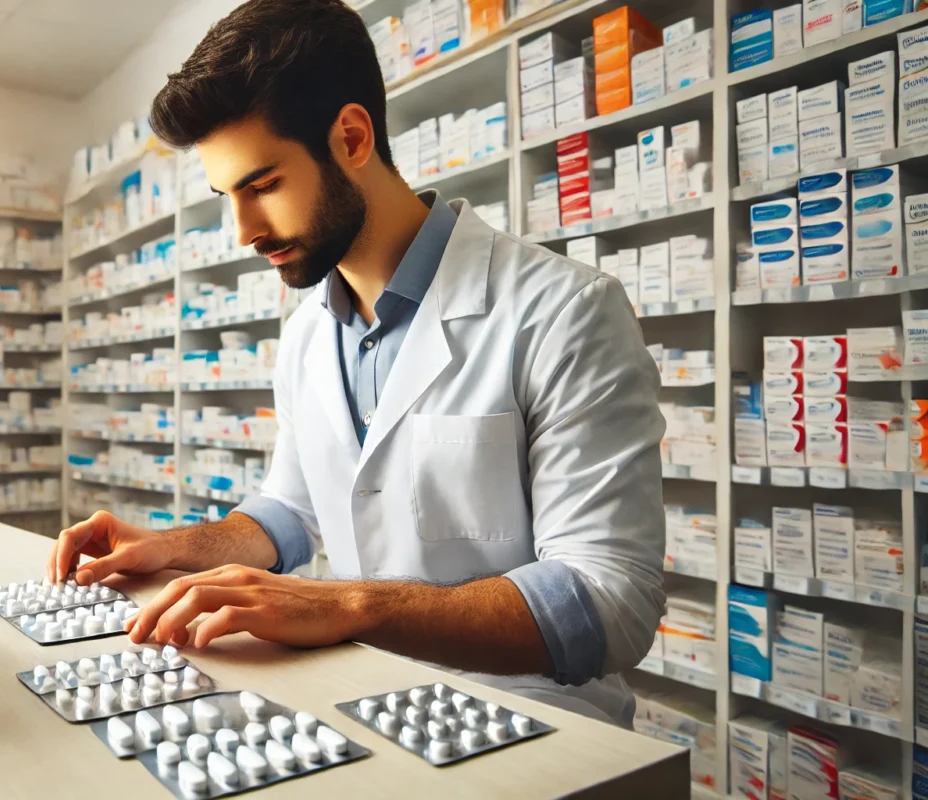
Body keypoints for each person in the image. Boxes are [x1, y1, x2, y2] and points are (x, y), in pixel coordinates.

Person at [48, 0, 665, 727]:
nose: (243, 231)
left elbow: (611, 601)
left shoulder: (562, 310)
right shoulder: (310, 329)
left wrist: (342, 603)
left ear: (350, 137)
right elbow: (291, 512)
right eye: (226, 197)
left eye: (263, 185)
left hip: (535, 722)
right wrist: (172, 548)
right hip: (362, 702)